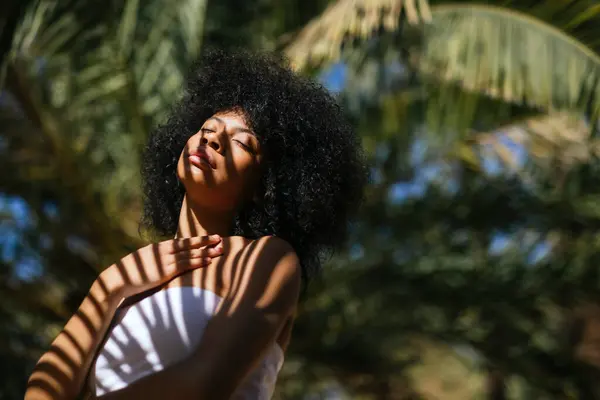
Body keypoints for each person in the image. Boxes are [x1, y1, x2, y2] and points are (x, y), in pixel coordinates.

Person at [25, 49, 367, 399]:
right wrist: (106, 288)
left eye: (241, 142)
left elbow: (203, 385)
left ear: (264, 189)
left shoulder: (268, 259)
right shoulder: (130, 277)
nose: (212, 139)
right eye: (207, 128)